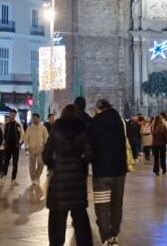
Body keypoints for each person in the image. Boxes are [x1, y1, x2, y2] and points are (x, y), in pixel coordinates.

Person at [43, 104, 94, 246]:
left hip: (59, 180)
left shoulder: (56, 131)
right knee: (80, 220)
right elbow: (90, 154)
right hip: (77, 179)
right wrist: (81, 163)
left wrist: (55, 165)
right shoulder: (82, 130)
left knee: (56, 220)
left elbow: (46, 155)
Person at [87, 99, 129, 246]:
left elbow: (89, 146)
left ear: (98, 109)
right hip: (119, 171)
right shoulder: (120, 122)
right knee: (117, 204)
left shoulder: (94, 122)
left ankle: (105, 238)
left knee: (102, 206)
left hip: (101, 172)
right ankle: (115, 234)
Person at [26, 113, 50, 186]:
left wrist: (46, 145)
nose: (34, 119)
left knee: (41, 163)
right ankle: (33, 179)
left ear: (38, 118)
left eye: (35, 118)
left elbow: (46, 137)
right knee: (31, 165)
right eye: (33, 118)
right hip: (32, 148)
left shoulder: (43, 128)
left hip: (41, 148)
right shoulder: (30, 128)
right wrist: (27, 146)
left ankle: (37, 176)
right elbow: (26, 137)